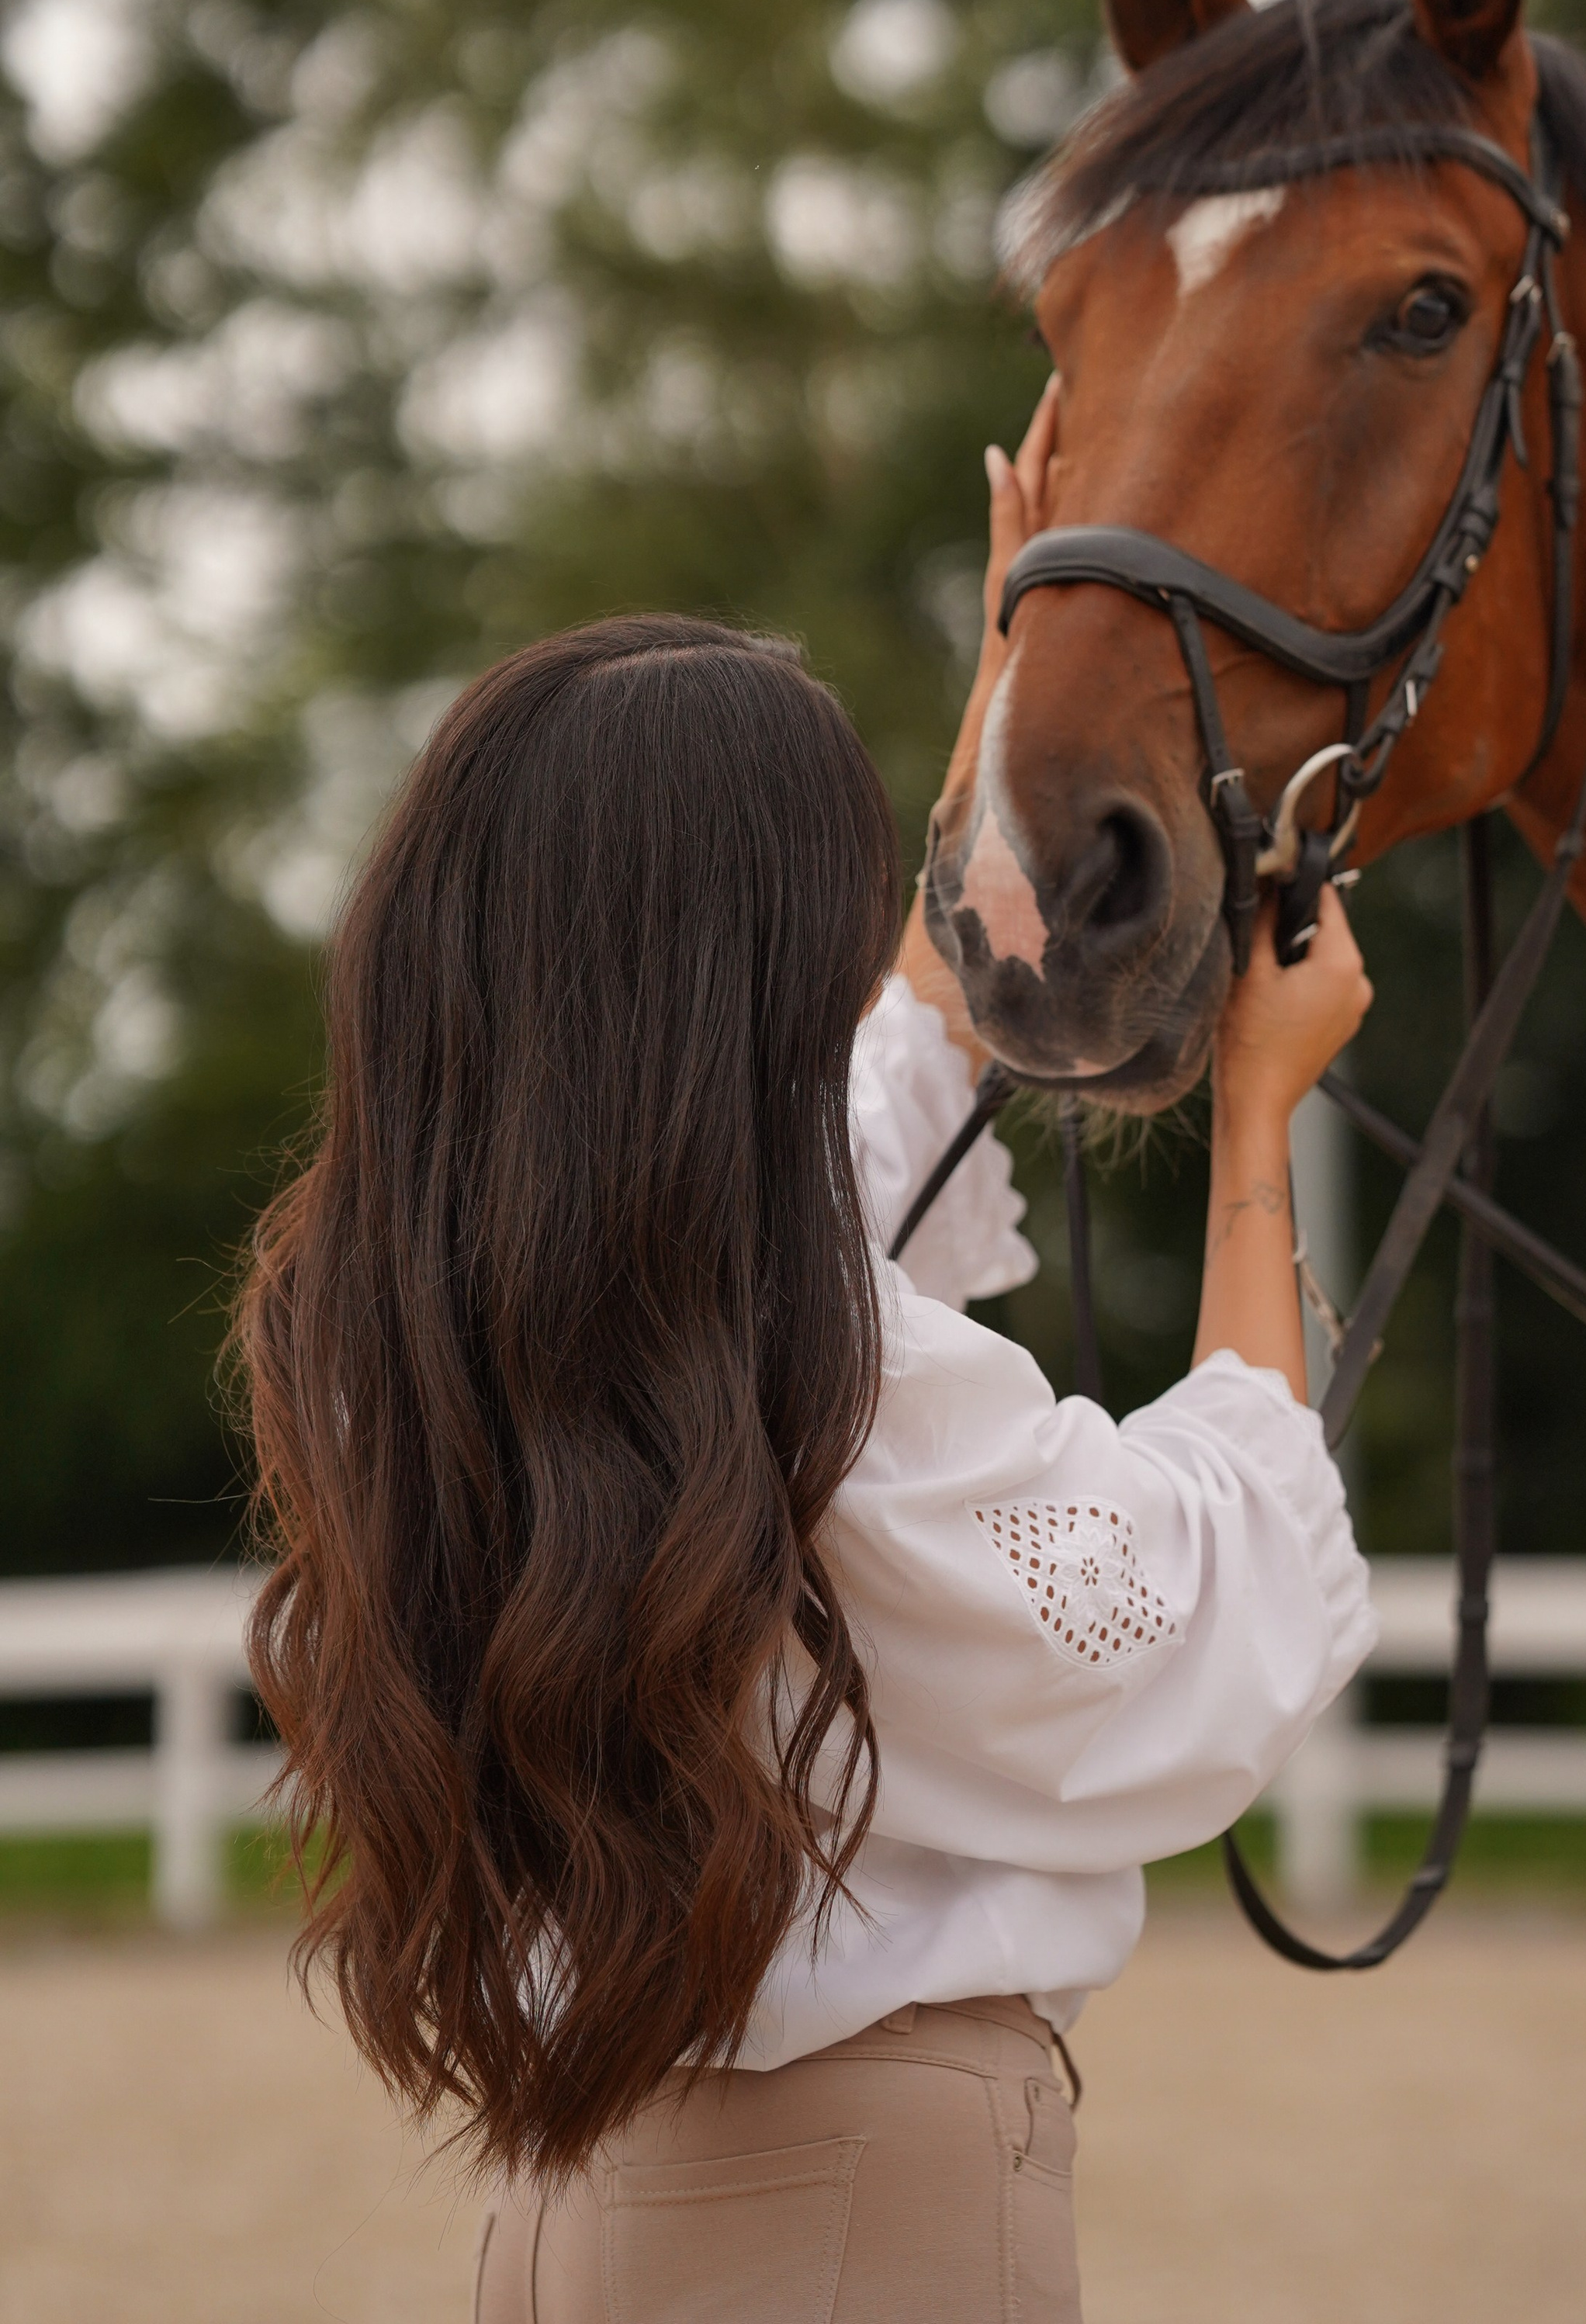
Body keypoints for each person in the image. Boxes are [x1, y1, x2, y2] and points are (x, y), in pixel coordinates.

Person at [235, 386, 1376, 2323]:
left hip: (573, 2211)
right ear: (745, 980)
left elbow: (866, 1093)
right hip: (863, 2211)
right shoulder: (841, 1386)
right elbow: (1214, 1592)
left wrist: (1024, 674)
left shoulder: (415, 1336)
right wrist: (1259, 1126)